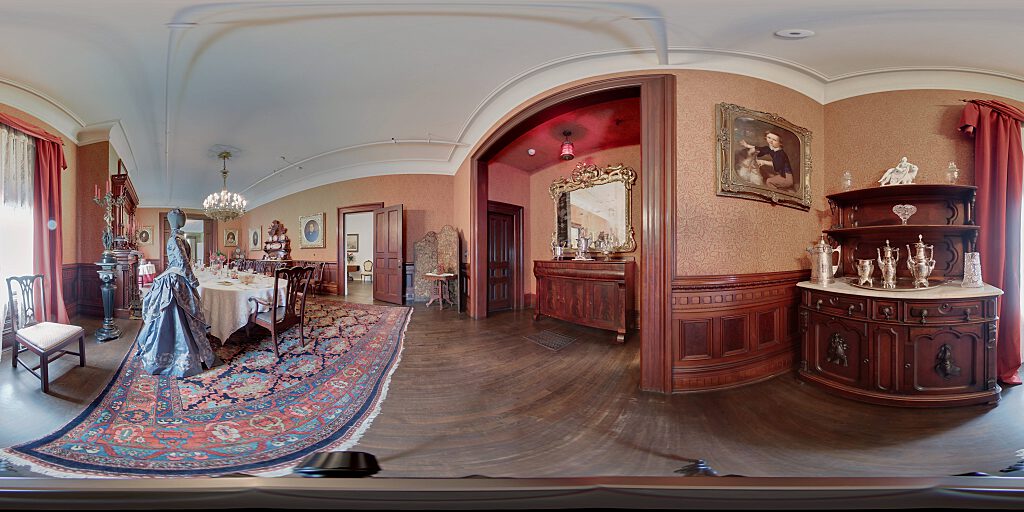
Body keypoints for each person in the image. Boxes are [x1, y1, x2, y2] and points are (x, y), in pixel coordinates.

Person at [136, 208, 221, 377]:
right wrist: (193, 281)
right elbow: (182, 263)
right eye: (180, 217)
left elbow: (181, 262)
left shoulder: (178, 237)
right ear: (173, 220)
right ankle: (173, 357)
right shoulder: (175, 238)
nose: (183, 220)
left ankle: (185, 353)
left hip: (176, 278)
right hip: (175, 280)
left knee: (182, 316)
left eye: (183, 217)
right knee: (173, 316)